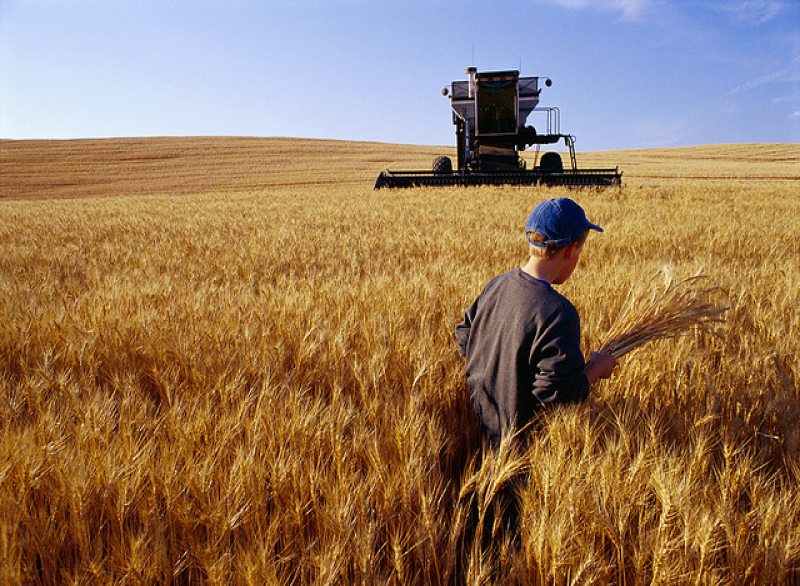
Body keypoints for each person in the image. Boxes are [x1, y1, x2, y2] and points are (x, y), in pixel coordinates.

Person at [455, 197, 617, 448]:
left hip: (481, 429)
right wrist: (596, 368)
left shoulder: (496, 285)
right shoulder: (558, 312)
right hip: (522, 450)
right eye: (579, 252)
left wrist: (499, 369)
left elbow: (465, 335)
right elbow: (558, 397)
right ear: (569, 250)